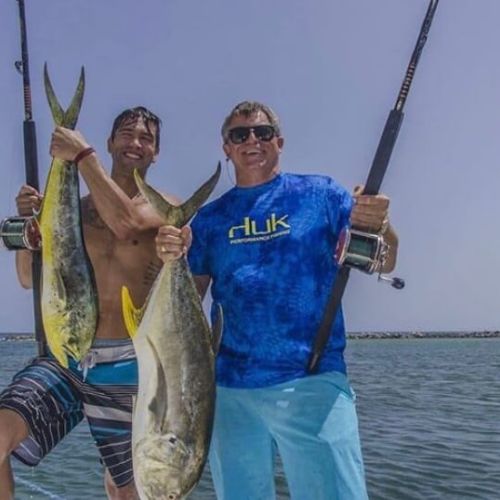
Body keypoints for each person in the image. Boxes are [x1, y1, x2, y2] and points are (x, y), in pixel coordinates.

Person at [156, 101, 399, 500]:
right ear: (226, 148)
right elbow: (187, 307)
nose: (252, 140)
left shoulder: (322, 195)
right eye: (240, 134)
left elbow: (384, 258)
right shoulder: (209, 220)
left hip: (313, 381)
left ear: (279, 142)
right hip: (230, 391)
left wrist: (382, 226)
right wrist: (168, 259)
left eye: (262, 132)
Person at [0, 106, 178, 500]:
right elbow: (29, 278)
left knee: (127, 488)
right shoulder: (71, 210)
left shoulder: (167, 211)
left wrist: (81, 157)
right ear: (111, 142)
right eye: (127, 134)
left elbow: (126, 222)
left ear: (156, 153)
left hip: (129, 365)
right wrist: (29, 224)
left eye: (146, 138)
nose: (135, 143)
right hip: (65, 355)